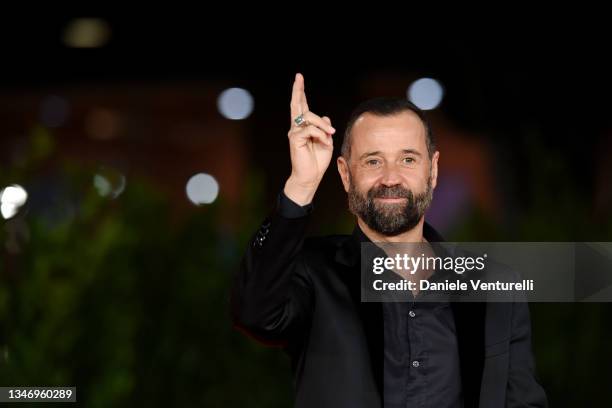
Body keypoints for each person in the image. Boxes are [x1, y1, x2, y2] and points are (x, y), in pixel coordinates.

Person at [230, 73, 548, 407]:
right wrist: (301, 184)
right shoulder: (313, 273)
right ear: (344, 173)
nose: (391, 177)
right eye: (373, 161)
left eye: (408, 159)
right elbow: (253, 312)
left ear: (433, 170)